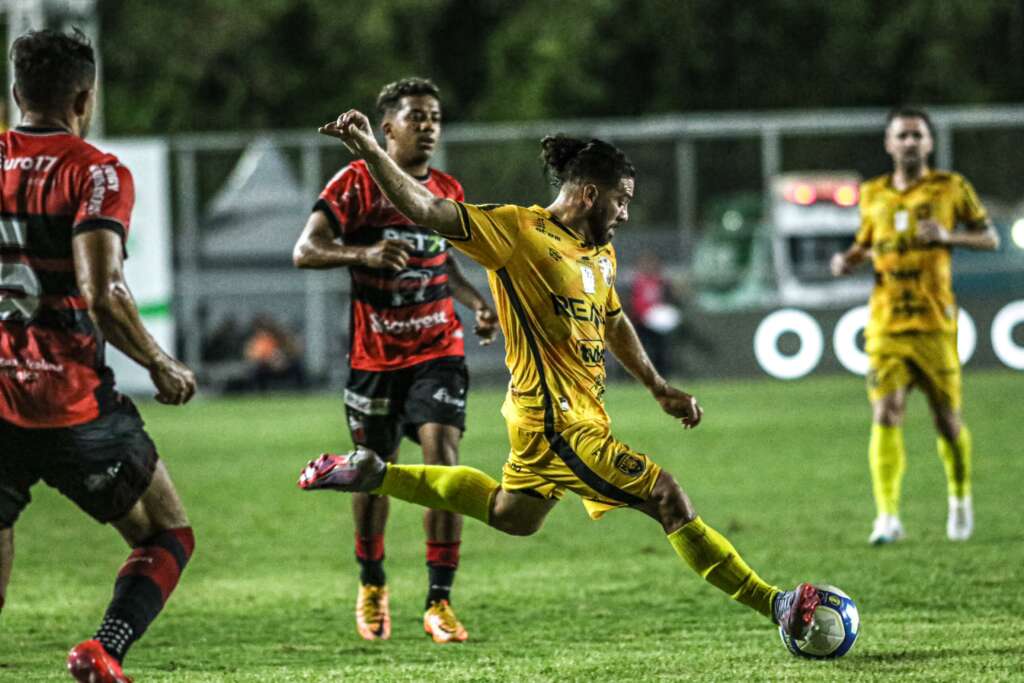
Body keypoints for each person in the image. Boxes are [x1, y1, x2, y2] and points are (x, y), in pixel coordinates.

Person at [297, 108, 824, 644]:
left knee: (511, 515)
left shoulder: (599, 253)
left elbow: (612, 318)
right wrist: (369, 149)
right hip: (558, 424)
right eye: (622, 200)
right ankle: (775, 604)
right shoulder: (515, 232)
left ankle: (375, 472)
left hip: (561, 417)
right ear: (591, 194)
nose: (624, 213)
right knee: (666, 496)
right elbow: (429, 209)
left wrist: (658, 387)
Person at [0, 29, 197, 683]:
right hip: (71, 404)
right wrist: (161, 363)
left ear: (14, 91)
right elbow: (103, 290)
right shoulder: (95, 171)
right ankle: (103, 648)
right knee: (166, 533)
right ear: (85, 96)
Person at [292, 78, 498, 643]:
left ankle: (439, 600)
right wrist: (364, 252)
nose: (429, 126)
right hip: (377, 358)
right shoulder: (355, 184)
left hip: (438, 348)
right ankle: (373, 581)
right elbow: (304, 249)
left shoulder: (447, 187)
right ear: (387, 128)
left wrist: (478, 302)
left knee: (444, 460)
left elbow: (443, 260)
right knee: (370, 473)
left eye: (435, 117)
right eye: (417, 117)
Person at [830, 107, 1000, 545]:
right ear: (888, 143)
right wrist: (848, 259)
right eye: (901, 136)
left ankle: (960, 498)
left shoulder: (951, 188)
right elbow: (867, 242)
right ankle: (887, 517)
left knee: (947, 421)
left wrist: (948, 237)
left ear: (929, 143)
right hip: (886, 325)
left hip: (935, 327)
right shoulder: (872, 194)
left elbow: (990, 237)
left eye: (916, 136)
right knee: (886, 412)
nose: (909, 143)